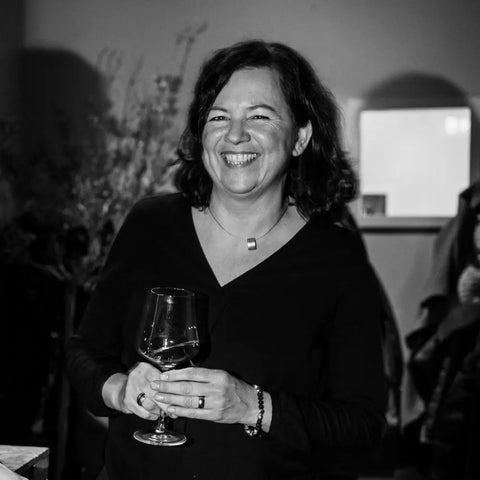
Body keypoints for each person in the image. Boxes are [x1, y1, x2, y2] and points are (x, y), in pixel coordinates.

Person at [66, 39, 386, 479]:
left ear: (300, 138)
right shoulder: (151, 224)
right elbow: (85, 351)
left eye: (259, 116)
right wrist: (119, 390)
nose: (235, 134)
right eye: (219, 117)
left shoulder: (335, 256)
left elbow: (362, 425)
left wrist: (252, 406)